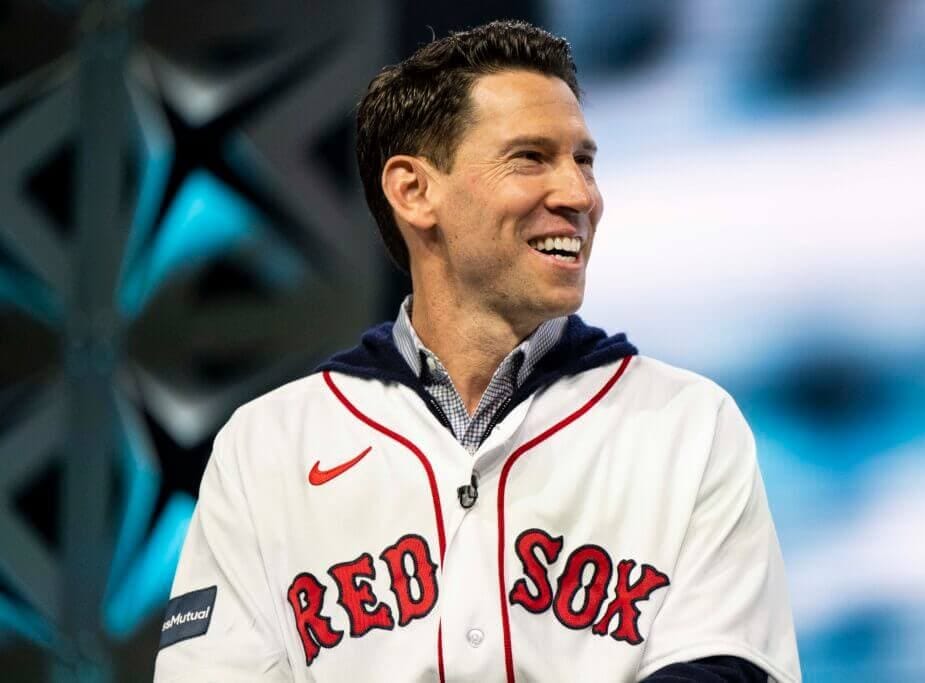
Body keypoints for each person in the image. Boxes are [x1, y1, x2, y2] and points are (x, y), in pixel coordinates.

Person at [153, 20, 800, 683]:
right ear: (414, 191)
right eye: (530, 157)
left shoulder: (688, 425)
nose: (580, 195)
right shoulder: (268, 445)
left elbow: (734, 668)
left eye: (584, 160)